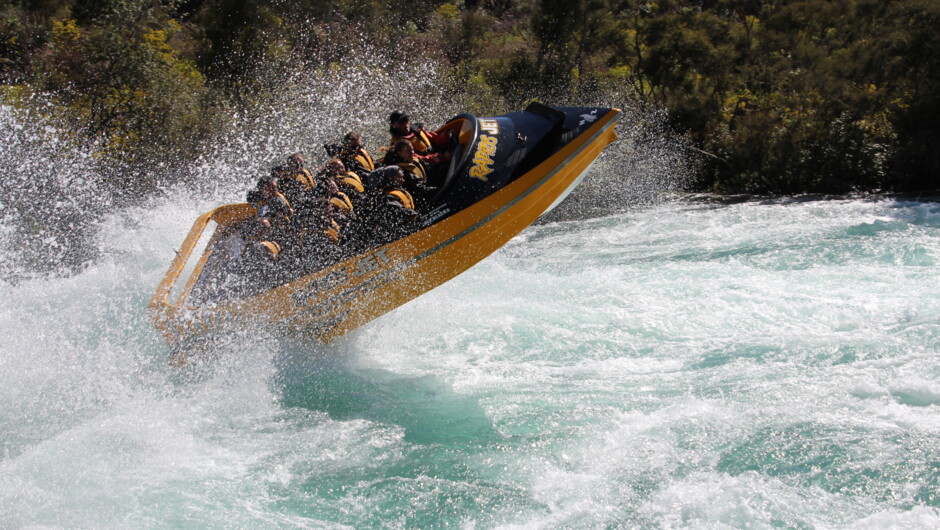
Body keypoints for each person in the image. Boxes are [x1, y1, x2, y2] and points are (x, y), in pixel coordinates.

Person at [382, 139, 450, 209]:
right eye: (408, 151)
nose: (412, 153)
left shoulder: (415, 160)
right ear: (399, 153)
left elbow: (431, 170)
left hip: (428, 188)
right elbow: (420, 191)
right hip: (423, 201)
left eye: (412, 149)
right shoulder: (402, 172)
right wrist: (441, 190)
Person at [361, 165, 418, 245]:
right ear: (388, 180)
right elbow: (406, 215)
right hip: (397, 240)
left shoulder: (390, 195)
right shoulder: (387, 200)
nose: (403, 180)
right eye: (398, 177)